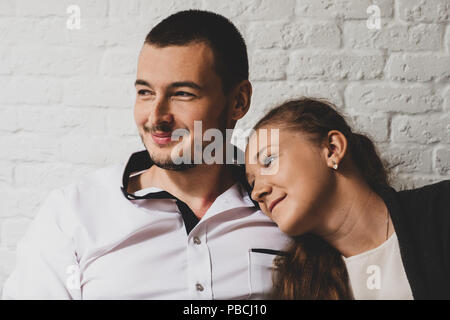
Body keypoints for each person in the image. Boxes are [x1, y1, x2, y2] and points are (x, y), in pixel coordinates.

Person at [2, 10, 289, 299]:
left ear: (238, 102)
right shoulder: (72, 214)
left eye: (182, 94)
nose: (156, 117)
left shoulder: (286, 206)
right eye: (145, 92)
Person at [245, 97, 450, 300]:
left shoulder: (441, 212)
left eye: (268, 161)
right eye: (252, 182)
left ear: (332, 149)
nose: (256, 193)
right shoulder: (299, 287)